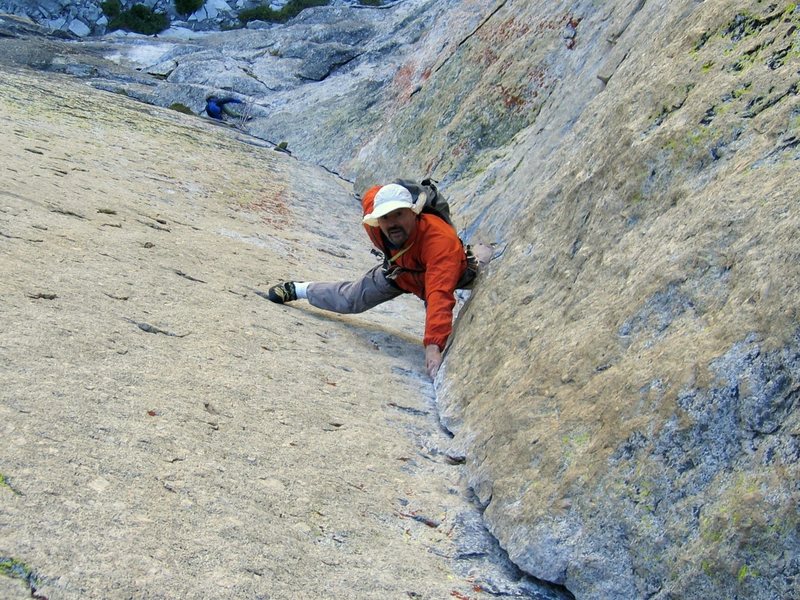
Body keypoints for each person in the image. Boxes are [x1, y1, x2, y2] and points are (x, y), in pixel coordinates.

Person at [266, 182, 492, 378]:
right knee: (351, 300)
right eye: (385, 217)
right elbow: (371, 195)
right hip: (402, 274)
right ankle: (297, 289)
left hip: (448, 272)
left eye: (399, 214)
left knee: (472, 273)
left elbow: (439, 296)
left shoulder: (439, 242)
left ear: (414, 213)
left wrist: (433, 347)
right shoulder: (374, 225)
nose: (392, 223)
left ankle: (479, 253)